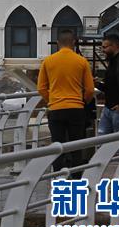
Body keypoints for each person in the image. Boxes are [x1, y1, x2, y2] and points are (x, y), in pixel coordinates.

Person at [37, 29, 96, 174]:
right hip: (76, 109)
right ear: (74, 43)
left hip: (56, 109)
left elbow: (41, 88)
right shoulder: (81, 61)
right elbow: (89, 90)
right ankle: (76, 179)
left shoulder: (48, 61)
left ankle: (59, 177)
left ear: (58, 43)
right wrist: (82, 102)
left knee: (58, 146)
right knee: (76, 147)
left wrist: (51, 100)